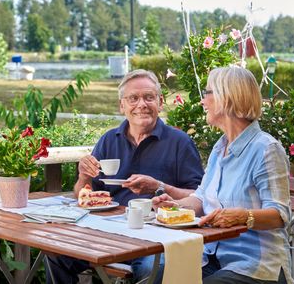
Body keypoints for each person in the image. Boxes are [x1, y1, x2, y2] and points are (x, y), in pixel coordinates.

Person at [45, 69, 204, 284]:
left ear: (160, 102)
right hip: (107, 232)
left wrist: (160, 186)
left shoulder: (180, 143)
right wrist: (83, 177)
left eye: (149, 97)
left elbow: (200, 197)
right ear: (122, 106)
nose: (142, 105)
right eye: (133, 98)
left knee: (154, 269)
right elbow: (82, 194)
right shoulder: (109, 140)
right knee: (55, 253)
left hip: (155, 236)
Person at [153, 66, 293, 284]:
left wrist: (244, 217)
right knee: (160, 277)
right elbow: (200, 198)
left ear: (227, 97)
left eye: (207, 93)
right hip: (212, 257)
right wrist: (175, 207)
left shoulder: (265, 149)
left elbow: (279, 215)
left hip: (255, 265)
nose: (202, 101)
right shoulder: (220, 147)